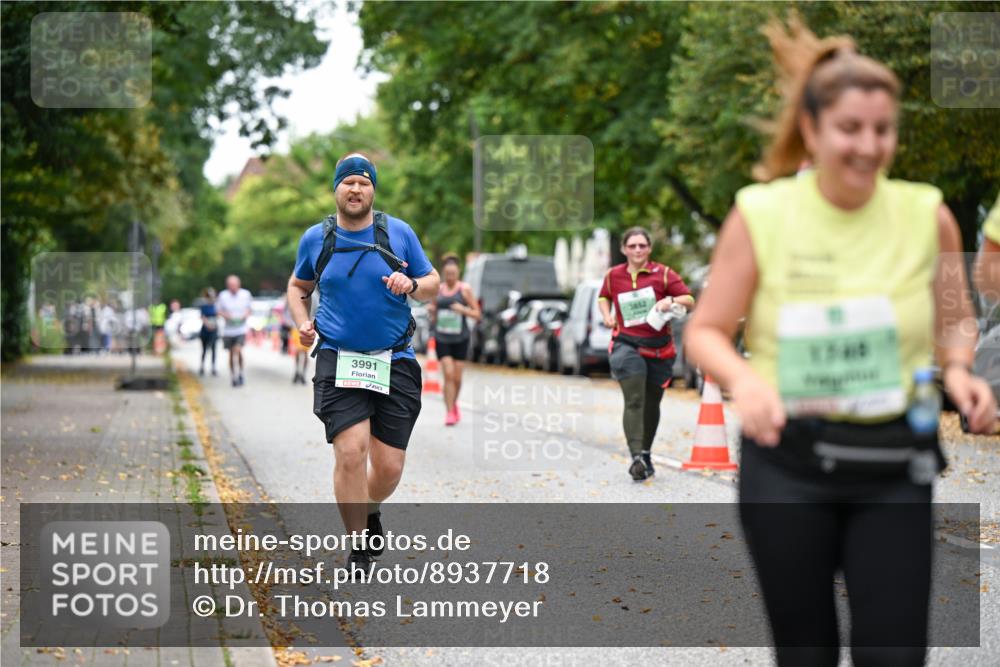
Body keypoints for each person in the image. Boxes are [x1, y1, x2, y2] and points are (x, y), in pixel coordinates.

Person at [684, 17, 998, 667]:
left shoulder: (926, 212)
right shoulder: (761, 213)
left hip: (892, 466)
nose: (867, 145)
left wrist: (962, 369)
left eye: (882, 130)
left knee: (895, 654)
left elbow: (953, 319)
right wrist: (744, 383)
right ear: (812, 131)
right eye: (849, 129)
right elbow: (706, 329)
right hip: (787, 464)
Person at [287, 152, 439, 573]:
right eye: (348, 182)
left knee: (388, 467)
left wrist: (411, 283)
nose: (356, 189)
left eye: (364, 182)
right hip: (339, 358)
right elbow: (299, 285)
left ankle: (370, 508)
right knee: (350, 451)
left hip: (396, 357)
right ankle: (357, 546)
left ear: (373, 189)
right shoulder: (317, 238)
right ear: (336, 188)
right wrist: (302, 324)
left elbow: (432, 284)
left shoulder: (399, 233)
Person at [597, 227, 694, 481]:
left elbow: (689, 299)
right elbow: (603, 297)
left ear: (649, 248)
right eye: (632, 246)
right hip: (625, 344)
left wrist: (670, 302)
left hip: (660, 348)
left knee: (652, 403)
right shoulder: (613, 275)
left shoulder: (663, 274)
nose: (637, 250)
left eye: (642, 245)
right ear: (624, 250)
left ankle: (646, 452)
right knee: (635, 399)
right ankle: (636, 457)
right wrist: (607, 316)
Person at [429, 254, 480, 425]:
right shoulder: (439, 290)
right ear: (444, 274)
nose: (450, 277)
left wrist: (462, 310)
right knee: (448, 374)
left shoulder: (464, 289)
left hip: (461, 338)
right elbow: (434, 312)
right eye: (447, 274)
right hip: (442, 337)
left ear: (458, 273)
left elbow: (477, 314)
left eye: (453, 274)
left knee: (457, 378)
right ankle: (450, 412)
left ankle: (454, 403)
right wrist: (432, 312)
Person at [216, 275, 252, 387]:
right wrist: (226, 315)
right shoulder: (223, 295)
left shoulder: (245, 294)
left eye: (235, 285)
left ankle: (240, 373)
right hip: (228, 330)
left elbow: (249, 309)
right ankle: (233, 376)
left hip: (241, 328)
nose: (233, 287)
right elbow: (218, 311)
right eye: (231, 285)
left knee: (238, 349)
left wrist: (244, 315)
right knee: (231, 353)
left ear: (239, 284)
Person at [198, 287, 219, 376]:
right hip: (206, 330)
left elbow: (218, 315)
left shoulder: (216, 306)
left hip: (214, 329)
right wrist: (208, 325)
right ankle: (202, 366)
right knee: (204, 349)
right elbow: (202, 317)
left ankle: (213, 367)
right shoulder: (204, 306)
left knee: (214, 349)